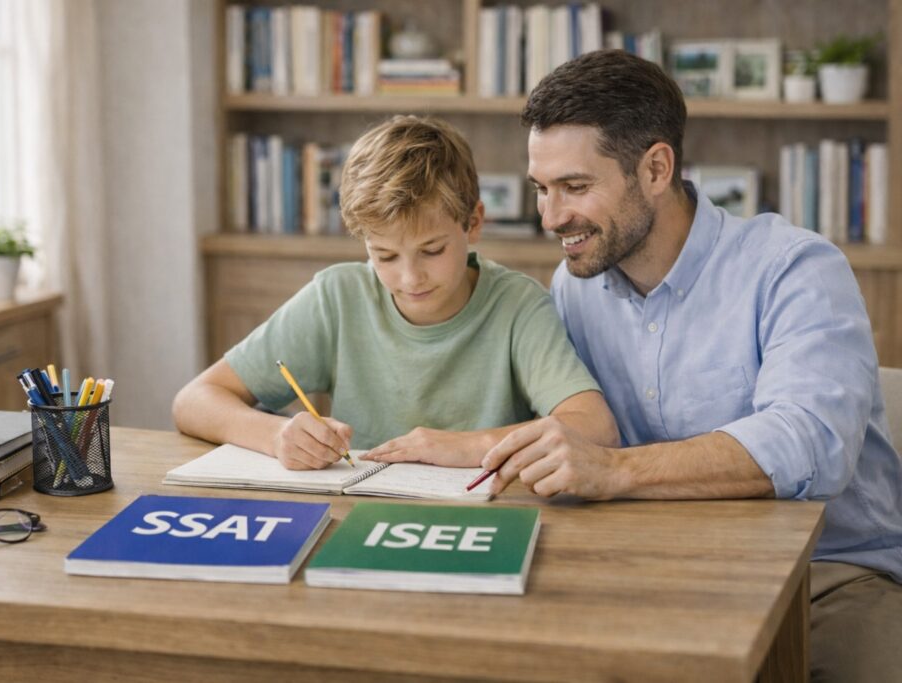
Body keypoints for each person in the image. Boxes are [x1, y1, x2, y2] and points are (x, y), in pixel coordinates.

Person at [484, 49, 902, 681]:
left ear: (656, 168)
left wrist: (615, 470)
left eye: (575, 187)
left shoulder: (794, 269)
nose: (550, 216)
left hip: (831, 578)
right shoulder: (573, 287)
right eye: (542, 189)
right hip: (654, 572)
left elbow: (811, 443)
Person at [173, 115, 617, 471]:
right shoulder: (338, 297)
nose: (410, 278)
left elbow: (594, 428)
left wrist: (468, 446)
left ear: (474, 223)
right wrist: (275, 436)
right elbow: (194, 400)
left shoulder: (518, 306)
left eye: (432, 250)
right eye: (384, 255)